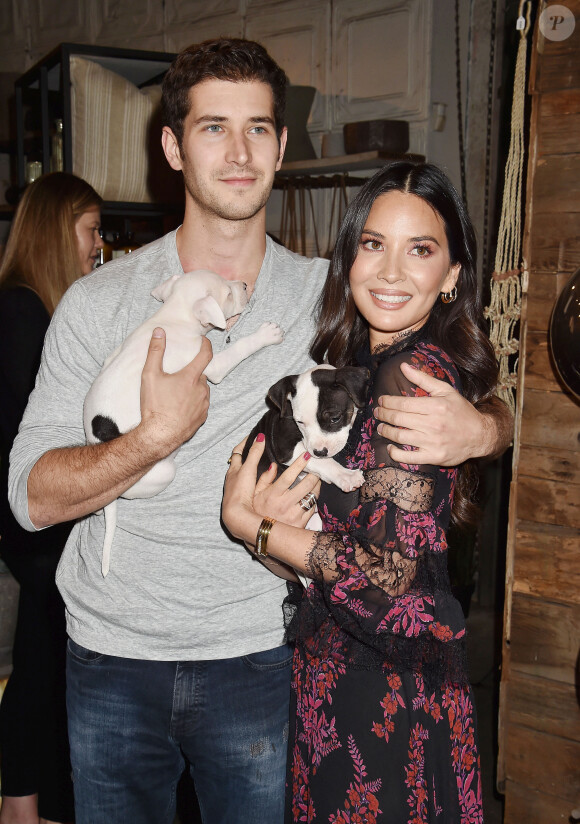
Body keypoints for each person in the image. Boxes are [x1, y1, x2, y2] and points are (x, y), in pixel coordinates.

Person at [8, 39, 509, 824]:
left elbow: (450, 361)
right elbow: (28, 497)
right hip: (112, 658)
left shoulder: (334, 297)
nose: (239, 152)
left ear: (281, 145)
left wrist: (486, 430)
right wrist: (151, 439)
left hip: (262, 660)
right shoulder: (96, 303)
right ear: (173, 146)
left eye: (258, 129)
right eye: (213, 127)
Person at [222, 160, 497, 823]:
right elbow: (325, 570)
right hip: (339, 687)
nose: (391, 271)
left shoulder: (411, 374)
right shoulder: (363, 370)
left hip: (386, 705)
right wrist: (278, 531)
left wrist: (248, 523)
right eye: (374, 244)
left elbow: (389, 582)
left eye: (421, 250)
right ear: (350, 257)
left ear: (452, 275)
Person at [0, 172, 103, 824]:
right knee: (48, 659)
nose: (99, 242)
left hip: (30, 515)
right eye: (91, 228)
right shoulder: (21, 311)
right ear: (57, 230)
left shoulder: (32, 307)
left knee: (48, 657)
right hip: (31, 518)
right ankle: (24, 802)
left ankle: (28, 801)